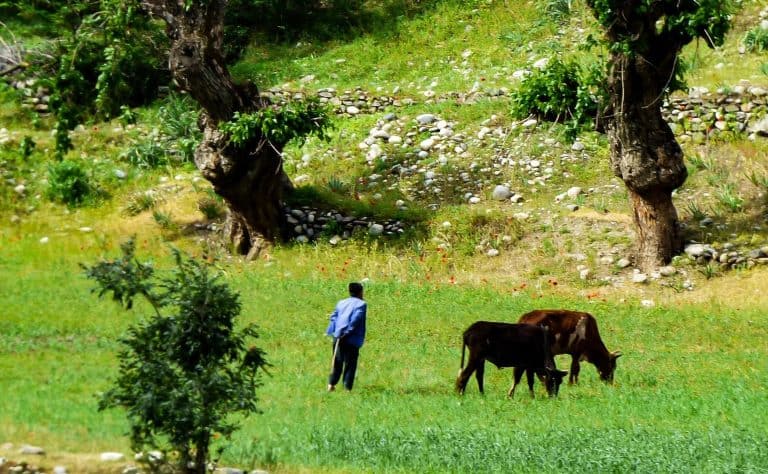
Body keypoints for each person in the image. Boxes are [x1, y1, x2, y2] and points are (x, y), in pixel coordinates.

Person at [326, 282, 367, 391]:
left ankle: (331, 384)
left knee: (337, 361)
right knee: (350, 363)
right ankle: (347, 388)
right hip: (351, 338)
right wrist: (347, 332)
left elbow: (333, 316)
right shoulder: (361, 304)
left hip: (338, 336)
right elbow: (355, 320)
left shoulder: (341, 303)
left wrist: (336, 331)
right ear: (360, 292)